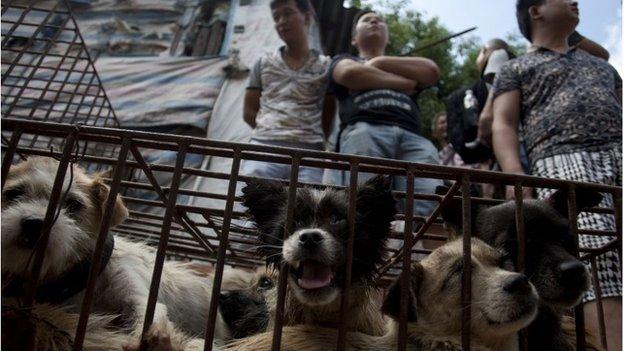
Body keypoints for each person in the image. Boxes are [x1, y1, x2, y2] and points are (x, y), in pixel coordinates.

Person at [492, 1, 622, 349]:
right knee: (596, 265)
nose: (575, 0)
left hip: (620, 152)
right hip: (562, 162)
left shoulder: (602, 67)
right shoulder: (516, 67)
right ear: (535, 11)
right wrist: (517, 178)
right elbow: (503, 123)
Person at [327, 10, 442, 217]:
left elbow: (431, 71)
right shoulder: (344, 59)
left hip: (415, 139)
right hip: (364, 130)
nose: (374, 21)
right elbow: (349, 73)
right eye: (366, 20)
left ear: (387, 37)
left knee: (430, 210)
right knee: (364, 204)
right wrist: (407, 83)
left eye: (379, 20)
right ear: (354, 39)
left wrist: (378, 63)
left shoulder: (400, 64)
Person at [242, 0, 335, 184]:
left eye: (287, 13)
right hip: (264, 148)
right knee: (255, 208)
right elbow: (248, 111)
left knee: (304, 209)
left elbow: (329, 113)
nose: (281, 21)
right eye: (276, 17)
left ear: (306, 17)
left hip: (310, 153)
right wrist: (272, 131)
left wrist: (308, 134)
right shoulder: (264, 63)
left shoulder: (326, 66)